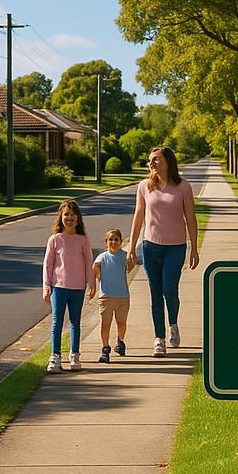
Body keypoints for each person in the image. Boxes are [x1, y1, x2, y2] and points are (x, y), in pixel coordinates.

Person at [127, 146, 199, 356]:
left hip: (175, 247)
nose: (152, 163)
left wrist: (194, 247)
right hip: (150, 247)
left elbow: (191, 219)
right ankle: (159, 338)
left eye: (156, 159)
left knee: (170, 290)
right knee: (155, 294)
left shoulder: (183, 187)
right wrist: (132, 247)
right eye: (150, 160)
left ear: (168, 162)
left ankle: (173, 325)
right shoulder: (144, 187)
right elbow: (138, 217)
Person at [42, 200, 96, 373]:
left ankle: (74, 355)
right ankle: (55, 357)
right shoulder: (55, 239)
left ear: (78, 218)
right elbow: (48, 265)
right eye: (66, 214)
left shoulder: (83, 240)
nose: (69, 218)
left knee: (75, 322)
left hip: (78, 287)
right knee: (57, 322)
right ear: (60, 217)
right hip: (58, 287)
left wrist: (92, 283)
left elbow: (89, 263)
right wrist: (46, 287)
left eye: (73, 215)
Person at [93, 228, 133, 363]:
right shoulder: (102, 257)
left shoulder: (124, 256)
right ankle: (105, 348)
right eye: (110, 239)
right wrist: (98, 276)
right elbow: (95, 267)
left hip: (122, 296)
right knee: (105, 324)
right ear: (106, 242)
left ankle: (120, 341)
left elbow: (130, 266)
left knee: (121, 323)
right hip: (106, 297)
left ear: (121, 241)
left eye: (116, 239)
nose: (113, 242)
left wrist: (133, 257)